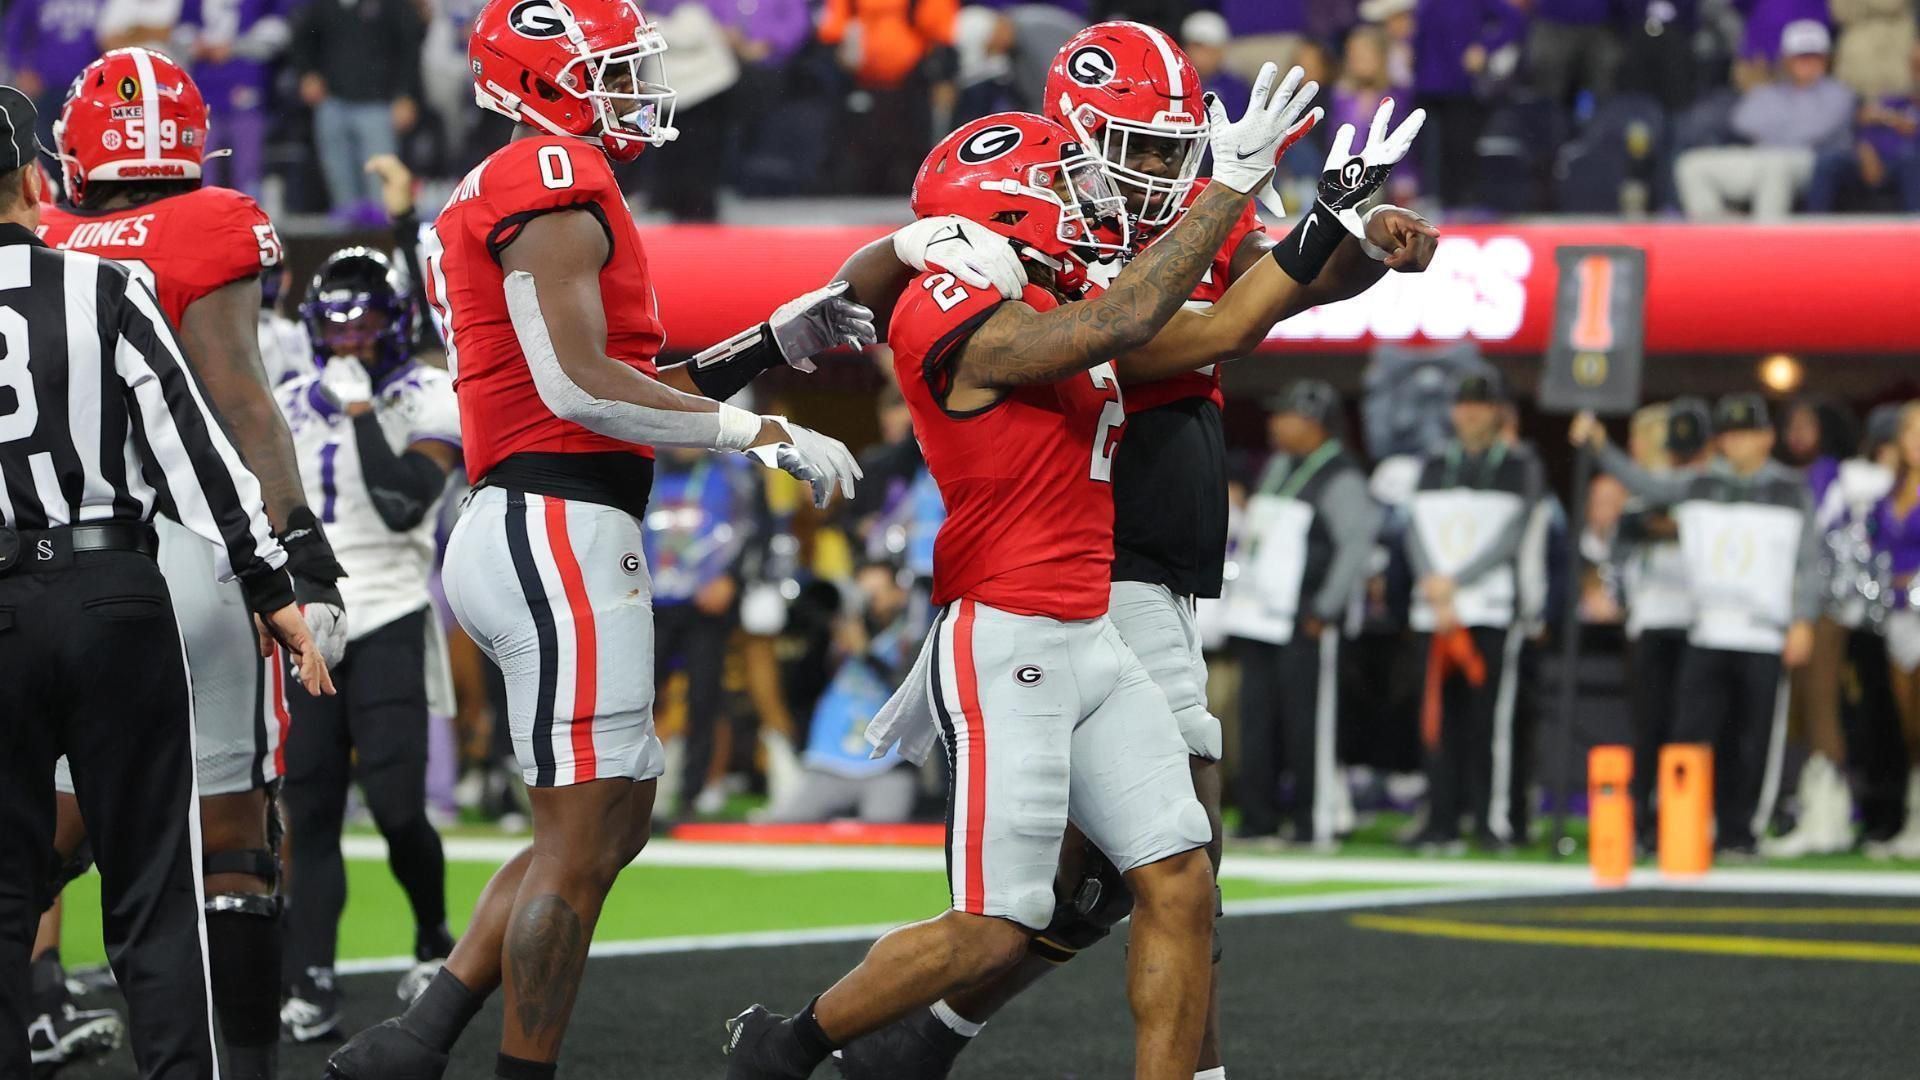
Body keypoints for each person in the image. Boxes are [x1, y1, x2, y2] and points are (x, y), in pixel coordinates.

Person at [724, 55, 1413, 1075]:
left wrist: (1331, 223)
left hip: (1089, 620)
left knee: (1178, 877)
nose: (1086, 198)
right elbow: (1134, 318)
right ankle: (791, 1047)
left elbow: (1205, 314)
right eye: (1065, 184)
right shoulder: (960, 313)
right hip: (1012, 628)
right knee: (1000, 923)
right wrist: (1234, 193)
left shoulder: (1069, 284)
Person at [323, 1, 873, 1076]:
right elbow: (579, 387)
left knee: (608, 825)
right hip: (555, 519)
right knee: (580, 844)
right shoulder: (549, 182)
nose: (633, 85)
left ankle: (415, 1040)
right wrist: (754, 429)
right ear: (543, 81)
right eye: (611, 68)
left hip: (545, 515)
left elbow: (620, 381)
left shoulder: (542, 184)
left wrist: (766, 344)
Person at [0, 85, 333, 1080]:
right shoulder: (126, 274)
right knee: (185, 863)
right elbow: (217, 432)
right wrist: (287, 577)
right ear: (30, 177)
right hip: (132, 575)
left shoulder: (81, 250)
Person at [277, 248, 463, 1040]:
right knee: (309, 811)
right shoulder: (284, 399)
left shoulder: (427, 393)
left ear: (397, 324)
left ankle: (432, 937)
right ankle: (311, 978)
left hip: (389, 614)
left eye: (367, 322)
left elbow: (398, 504)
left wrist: (357, 415)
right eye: (335, 324)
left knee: (394, 805)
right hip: (307, 627)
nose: (350, 339)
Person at [1573, 393, 1821, 858]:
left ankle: (1739, 833)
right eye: (1729, 434)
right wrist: (1600, 447)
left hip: (1764, 630)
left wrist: (1803, 619)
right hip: (1707, 628)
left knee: (1750, 740)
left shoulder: (1791, 490)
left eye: (1747, 433)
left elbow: (1809, 562)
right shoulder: (1699, 483)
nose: (1738, 443)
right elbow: (1642, 482)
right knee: (1687, 736)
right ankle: (1680, 827)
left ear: (1767, 437)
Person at [1222, 380, 1382, 847]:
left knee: (1304, 722)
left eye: (1285, 415)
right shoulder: (1280, 466)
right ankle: (1259, 817)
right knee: (1257, 718)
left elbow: (1356, 543)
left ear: (1312, 422)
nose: (1275, 423)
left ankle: (1313, 820)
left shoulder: (1340, 475)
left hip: (1304, 617)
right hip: (1262, 615)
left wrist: (1327, 606)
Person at [1405, 371, 1544, 853]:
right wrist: (1435, 587)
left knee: (1491, 724)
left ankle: (1493, 820)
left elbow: (1511, 536)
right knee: (1438, 722)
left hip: (1488, 610)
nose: (1470, 414)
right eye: (1463, 405)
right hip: (1435, 612)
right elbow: (1413, 529)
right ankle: (1440, 820)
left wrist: (1454, 583)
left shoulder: (1520, 465)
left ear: (1497, 412)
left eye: (1480, 406)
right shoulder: (1432, 464)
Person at [647, 445, 770, 818]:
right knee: (636, 702)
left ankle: (692, 793)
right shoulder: (644, 465)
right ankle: (627, 790)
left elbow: (759, 531)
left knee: (705, 699)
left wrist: (731, 580)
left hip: (707, 605)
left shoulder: (734, 472)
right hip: (647, 602)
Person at [1614, 399, 1710, 851]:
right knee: (1649, 726)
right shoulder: (1639, 500)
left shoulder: (1701, 488)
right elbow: (1621, 556)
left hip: (1697, 620)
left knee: (1686, 728)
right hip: (1652, 619)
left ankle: (1684, 816)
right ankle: (1644, 817)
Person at [764, 558, 923, 824]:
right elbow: (799, 690)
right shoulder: (837, 636)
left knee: (884, 834)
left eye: (876, 593)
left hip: (887, 765)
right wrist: (824, 641)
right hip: (829, 762)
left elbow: (912, 694)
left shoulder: (911, 638)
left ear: (899, 595)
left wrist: (865, 653)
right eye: (863, 593)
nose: (868, 602)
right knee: (783, 826)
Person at [1675, 19, 1856, 221]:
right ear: (1786, 59)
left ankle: (1764, 244)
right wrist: (1789, 122)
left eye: (1814, 56)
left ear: (1826, 59)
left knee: (1775, 167)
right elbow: (1742, 121)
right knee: (1692, 165)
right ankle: (1718, 237)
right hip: (1762, 154)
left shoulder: (1838, 93)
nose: (1808, 62)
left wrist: (1776, 125)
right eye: (1801, 56)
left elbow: (1815, 131)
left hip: (1809, 160)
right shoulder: (1770, 90)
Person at [1868, 401, 1920, 859]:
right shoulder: (1891, 490)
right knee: (1907, 727)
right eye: (1912, 432)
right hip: (1899, 616)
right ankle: (1912, 818)